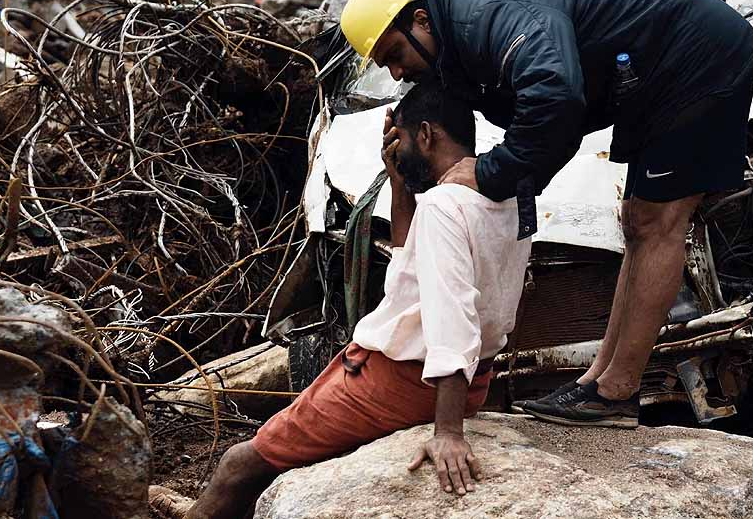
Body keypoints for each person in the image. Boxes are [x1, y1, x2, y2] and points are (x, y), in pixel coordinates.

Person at [339, 0, 753, 428]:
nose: (398, 71)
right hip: (652, 75)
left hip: (698, 57)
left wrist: (492, 171)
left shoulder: (488, 20)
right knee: (637, 221)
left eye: (395, 53)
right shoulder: (459, 45)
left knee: (659, 222)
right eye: (385, 66)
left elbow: (556, 98)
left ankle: (617, 392)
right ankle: (597, 381)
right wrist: (409, 162)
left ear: (421, 19)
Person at [150, 83, 532, 518]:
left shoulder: (443, 205)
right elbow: (412, 268)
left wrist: (447, 431)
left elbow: (452, 317)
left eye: (402, 140)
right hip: (470, 382)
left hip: (402, 382)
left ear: (426, 135)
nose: (397, 151)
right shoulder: (510, 196)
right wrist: (399, 184)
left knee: (239, 464)